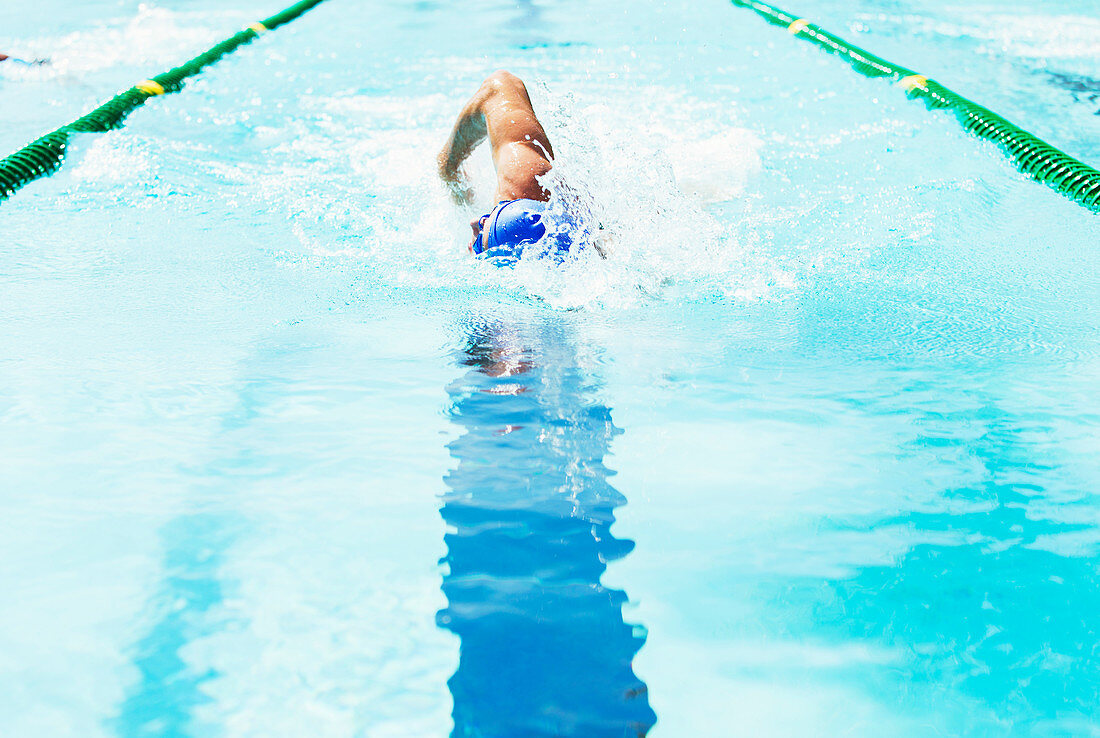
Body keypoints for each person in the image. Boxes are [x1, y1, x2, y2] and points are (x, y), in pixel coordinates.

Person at [438, 70, 580, 262]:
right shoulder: (577, 202)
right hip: (575, 242)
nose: (474, 223)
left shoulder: (533, 183)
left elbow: (498, 86)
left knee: (503, 86)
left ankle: (449, 169)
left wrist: (448, 166)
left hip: (513, 226)